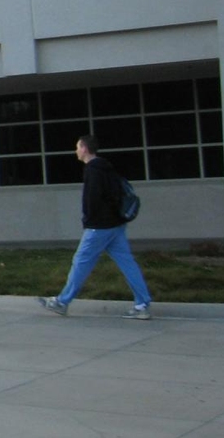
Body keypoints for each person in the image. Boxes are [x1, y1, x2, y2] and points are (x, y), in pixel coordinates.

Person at [39, 134, 152, 320]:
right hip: (116, 225)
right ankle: (142, 304)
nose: (76, 150)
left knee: (81, 262)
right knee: (127, 263)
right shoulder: (107, 167)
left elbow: (92, 200)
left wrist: (88, 221)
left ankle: (61, 302)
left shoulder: (92, 170)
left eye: (77, 147)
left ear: (84, 148)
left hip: (99, 227)